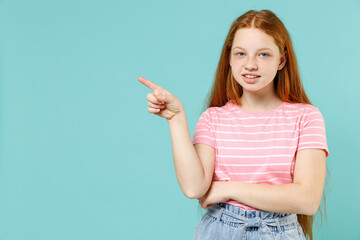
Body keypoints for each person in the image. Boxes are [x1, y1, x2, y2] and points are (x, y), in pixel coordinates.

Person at [138, 9, 329, 240]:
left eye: (264, 55)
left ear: (282, 60)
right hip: (219, 231)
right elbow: (194, 188)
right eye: (241, 54)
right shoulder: (213, 118)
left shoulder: (306, 117)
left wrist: (227, 188)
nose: (250, 64)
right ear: (229, 58)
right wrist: (176, 119)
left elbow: (307, 200)